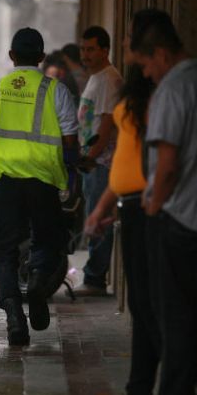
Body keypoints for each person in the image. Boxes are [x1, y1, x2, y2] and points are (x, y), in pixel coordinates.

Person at [0, 27, 79, 346]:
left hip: (5, 183)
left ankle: (14, 314)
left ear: (11, 56)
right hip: (44, 182)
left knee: (2, 251)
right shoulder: (56, 91)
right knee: (48, 242)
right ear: (41, 58)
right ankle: (39, 287)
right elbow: (71, 140)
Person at [131, 9, 197, 395]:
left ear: (160, 53)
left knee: (171, 317)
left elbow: (168, 161)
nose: (144, 74)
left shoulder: (172, 90)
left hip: (175, 217)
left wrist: (154, 205)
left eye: (145, 64)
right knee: (192, 315)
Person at [85, 36, 159, 395]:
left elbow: (166, 159)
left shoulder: (155, 105)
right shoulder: (131, 103)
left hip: (150, 210)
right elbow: (125, 165)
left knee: (152, 307)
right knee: (143, 305)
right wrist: (100, 207)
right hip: (132, 207)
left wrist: (153, 202)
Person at [73, 26, 124, 297]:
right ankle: (93, 274)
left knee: (99, 217)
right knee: (94, 214)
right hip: (93, 161)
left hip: (101, 162)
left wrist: (90, 157)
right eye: (83, 49)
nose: (85, 54)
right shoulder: (96, 78)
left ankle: (94, 278)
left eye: (91, 49)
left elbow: (106, 124)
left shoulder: (107, 79)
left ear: (105, 50)